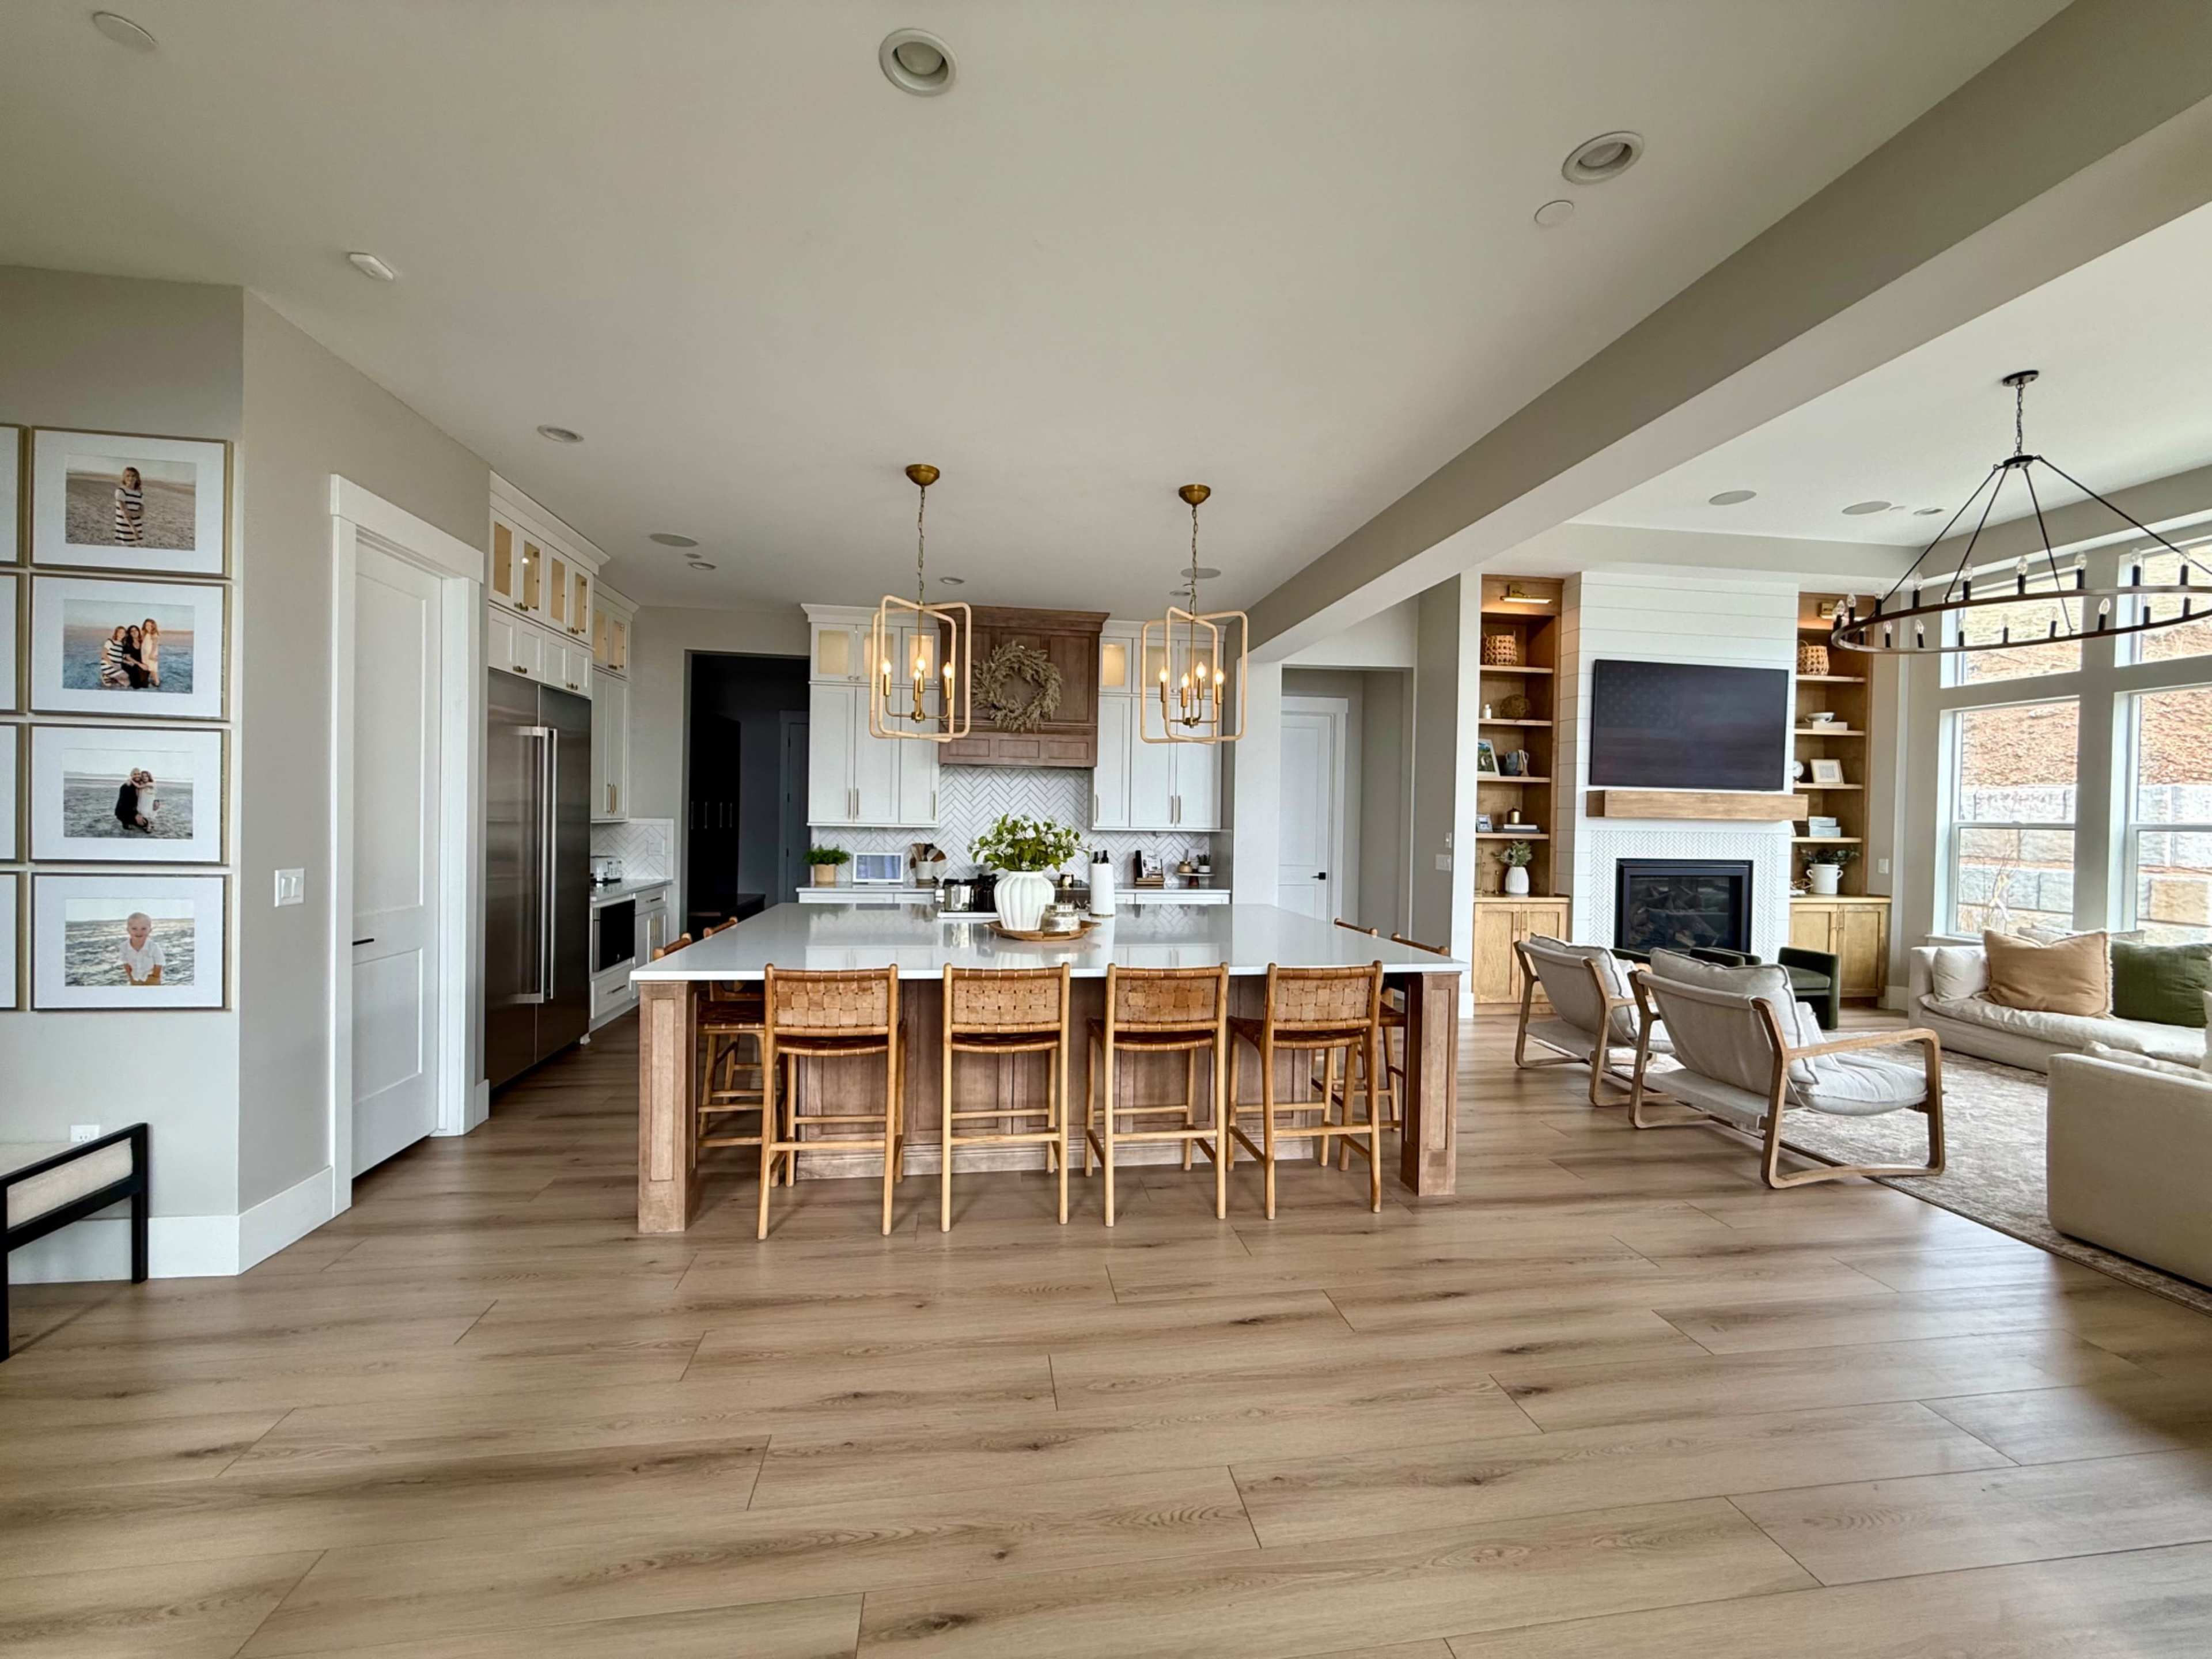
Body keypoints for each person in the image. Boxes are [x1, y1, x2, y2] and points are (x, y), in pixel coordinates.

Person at [119, 911, 165, 986]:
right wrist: (130, 977)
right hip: (135, 978)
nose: (139, 932)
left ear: (150, 930)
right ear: (128, 930)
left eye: (144, 929)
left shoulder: (153, 947)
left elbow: (159, 963)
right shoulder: (124, 946)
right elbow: (126, 963)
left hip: (151, 978)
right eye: (134, 928)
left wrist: (155, 977)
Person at [113, 768, 159, 834]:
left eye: (139, 774)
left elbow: (149, 796)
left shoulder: (142, 785)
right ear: (131, 776)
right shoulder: (126, 787)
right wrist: (136, 814)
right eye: (135, 774)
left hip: (136, 810)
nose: (137, 776)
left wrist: (156, 801)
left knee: (145, 823)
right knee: (142, 823)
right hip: (124, 812)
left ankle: (134, 821)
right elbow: (124, 805)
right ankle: (126, 822)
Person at [112, 465, 145, 546]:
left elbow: (142, 512)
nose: (131, 478)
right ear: (124, 478)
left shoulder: (140, 494)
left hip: (137, 524)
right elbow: (124, 512)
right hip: (126, 525)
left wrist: (130, 513)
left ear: (137, 478)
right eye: (128, 476)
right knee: (129, 548)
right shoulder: (121, 491)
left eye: (133, 476)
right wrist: (133, 529)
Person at [99, 624, 132, 688]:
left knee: (127, 683)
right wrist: (113, 664)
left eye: (124, 632)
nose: (122, 634)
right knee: (125, 676)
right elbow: (103, 655)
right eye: (120, 632)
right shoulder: (111, 641)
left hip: (117, 666)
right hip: (109, 665)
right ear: (116, 633)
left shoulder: (121, 645)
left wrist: (128, 662)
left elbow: (119, 659)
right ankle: (106, 675)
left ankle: (112, 678)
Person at [138, 618, 161, 688]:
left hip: (151, 654)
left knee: (153, 669)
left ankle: (157, 682)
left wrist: (152, 654)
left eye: (150, 625)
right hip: (145, 654)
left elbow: (155, 645)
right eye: (146, 625)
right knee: (149, 668)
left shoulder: (154, 634)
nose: (148, 627)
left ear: (153, 626)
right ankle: (153, 680)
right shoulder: (146, 633)